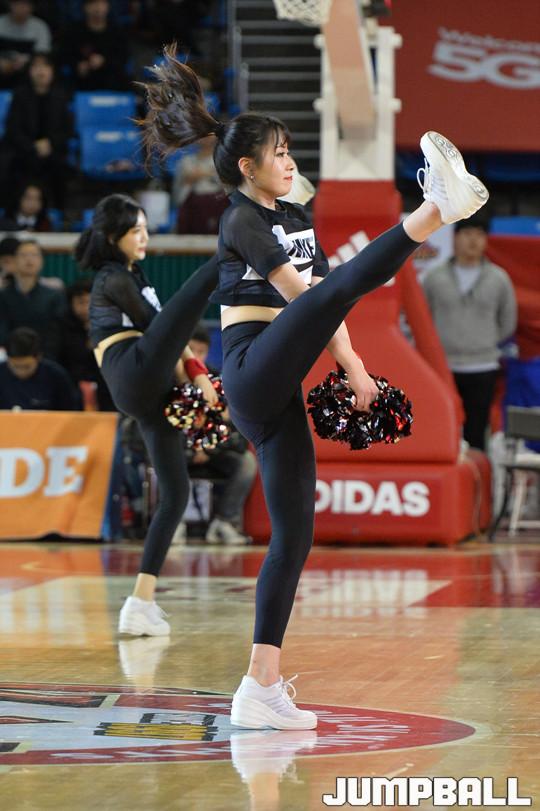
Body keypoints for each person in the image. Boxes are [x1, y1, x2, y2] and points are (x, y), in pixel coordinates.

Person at [139, 46, 490, 730]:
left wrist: (353, 367)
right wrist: (344, 348)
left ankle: (260, 685)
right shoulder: (240, 219)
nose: (289, 161)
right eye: (278, 153)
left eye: (290, 150)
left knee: (294, 535)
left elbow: (323, 301)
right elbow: (305, 297)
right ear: (248, 167)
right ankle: (432, 211)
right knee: (335, 289)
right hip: (249, 369)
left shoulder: (296, 219)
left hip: (278, 389)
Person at [81, 193, 220, 637]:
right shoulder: (112, 278)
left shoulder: (134, 274)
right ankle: (234, 244)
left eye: (145, 228)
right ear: (112, 237)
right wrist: (197, 373)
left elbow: (168, 334)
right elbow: (161, 327)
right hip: (131, 370)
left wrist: (196, 377)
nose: (145, 237)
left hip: (149, 386)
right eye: (135, 231)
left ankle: (140, 603)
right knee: (188, 299)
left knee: (176, 493)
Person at [422, 217, 517, 451]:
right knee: (441, 427)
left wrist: (484, 342)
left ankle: (476, 473)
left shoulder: (499, 278)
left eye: (479, 234)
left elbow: (508, 321)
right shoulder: (433, 277)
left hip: (483, 366)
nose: (473, 240)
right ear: (455, 237)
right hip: (443, 366)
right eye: (467, 234)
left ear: (486, 239)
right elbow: (422, 320)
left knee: (477, 430)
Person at [184, 323, 257, 545]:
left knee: (246, 462)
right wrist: (191, 450)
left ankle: (224, 522)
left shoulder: (219, 381)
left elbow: (234, 425)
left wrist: (208, 449)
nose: (197, 356)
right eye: (192, 350)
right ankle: (173, 523)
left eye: (202, 351)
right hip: (178, 451)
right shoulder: (169, 379)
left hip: (214, 450)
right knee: (165, 458)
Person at [1, 52, 72, 208]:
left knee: (60, 165)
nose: (41, 71)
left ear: (52, 71)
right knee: (10, 163)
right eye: (36, 66)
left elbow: (67, 129)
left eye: (45, 66)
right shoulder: (19, 95)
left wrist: (50, 143)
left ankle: (59, 213)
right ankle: (11, 211)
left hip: (51, 149)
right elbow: (13, 129)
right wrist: (32, 146)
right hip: (23, 149)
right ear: (29, 71)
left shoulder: (60, 95)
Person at [0, 238, 67, 358]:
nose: (29, 259)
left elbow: (57, 333)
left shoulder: (54, 296)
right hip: (11, 357)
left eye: (34, 255)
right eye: (23, 255)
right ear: (14, 260)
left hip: (46, 357)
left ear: (42, 261)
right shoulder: (3, 296)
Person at [59, 278, 115, 411]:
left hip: (106, 386)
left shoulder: (112, 325)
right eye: (81, 302)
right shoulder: (61, 326)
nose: (87, 308)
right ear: (71, 304)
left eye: (91, 302)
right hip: (72, 384)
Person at [57, 0, 130, 90]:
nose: (98, 8)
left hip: (111, 79)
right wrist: (77, 65)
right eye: (93, 3)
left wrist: (104, 61)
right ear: (85, 7)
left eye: (102, 3)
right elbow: (63, 56)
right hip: (81, 80)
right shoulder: (73, 31)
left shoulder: (117, 32)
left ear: (108, 7)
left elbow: (123, 58)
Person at [0, 326, 78, 410]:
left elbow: (71, 411)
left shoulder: (56, 376)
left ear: (38, 357)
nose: (21, 372)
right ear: (7, 359)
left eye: (26, 366)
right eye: (15, 366)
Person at [172, 135, 229, 235]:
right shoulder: (186, 161)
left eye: (209, 134)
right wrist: (206, 173)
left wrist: (204, 174)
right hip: (193, 207)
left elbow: (228, 185)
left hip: (217, 205)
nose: (205, 137)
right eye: (202, 134)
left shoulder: (224, 161)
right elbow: (179, 191)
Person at [0, 0, 51, 88]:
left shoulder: (40, 26)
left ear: (31, 7)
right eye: (17, 3)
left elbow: (42, 55)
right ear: (10, 5)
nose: (21, 7)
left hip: (29, 70)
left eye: (25, 4)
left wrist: (25, 62)